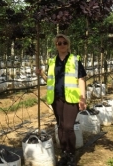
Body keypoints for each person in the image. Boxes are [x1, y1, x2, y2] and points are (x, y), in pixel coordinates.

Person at [36, 33, 86, 166]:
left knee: (69, 127)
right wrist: (41, 74)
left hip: (71, 98)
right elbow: (49, 81)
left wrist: (83, 98)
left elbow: (81, 79)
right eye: (59, 43)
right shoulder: (52, 62)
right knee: (61, 126)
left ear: (68, 45)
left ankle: (71, 154)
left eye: (64, 42)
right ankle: (64, 153)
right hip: (56, 98)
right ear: (56, 46)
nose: (62, 45)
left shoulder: (75, 60)